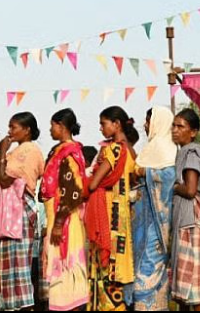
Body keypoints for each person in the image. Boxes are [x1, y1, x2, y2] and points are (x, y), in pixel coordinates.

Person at [86, 106, 136, 311]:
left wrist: (95, 169)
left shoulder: (113, 149)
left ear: (116, 124)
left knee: (105, 269)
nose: (100, 128)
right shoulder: (130, 151)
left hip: (107, 215)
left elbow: (92, 184)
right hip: (123, 216)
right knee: (117, 270)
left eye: (103, 123)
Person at [41, 108, 89, 311]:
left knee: (68, 272)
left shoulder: (69, 153)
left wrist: (59, 223)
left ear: (61, 126)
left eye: (52, 125)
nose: (50, 129)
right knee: (60, 275)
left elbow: (73, 191)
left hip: (65, 219)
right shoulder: (58, 150)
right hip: (55, 215)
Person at [0, 112, 46, 311]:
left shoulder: (30, 151)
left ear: (27, 130)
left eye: (13, 127)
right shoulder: (17, 152)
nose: (10, 131)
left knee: (20, 267)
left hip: (20, 208)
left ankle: (25, 306)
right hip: (10, 210)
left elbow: (4, 179)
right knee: (10, 266)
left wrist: (2, 153)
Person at [131, 107, 177, 311]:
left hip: (156, 222)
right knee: (143, 264)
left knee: (149, 266)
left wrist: (145, 172)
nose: (145, 125)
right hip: (144, 218)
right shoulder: (150, 148)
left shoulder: (165, 148)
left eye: (148, 121)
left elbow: (169, 176)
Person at [169, 109, 200, 312]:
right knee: (185, 286)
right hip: (187, 222)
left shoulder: (191, 153)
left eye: (181, 126)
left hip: (190, 222)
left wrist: (171, 185)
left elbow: (190, 190)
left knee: (193, 285)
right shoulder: (183, 152)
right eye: (174, 126)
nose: (175, 131)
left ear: (193, 132)